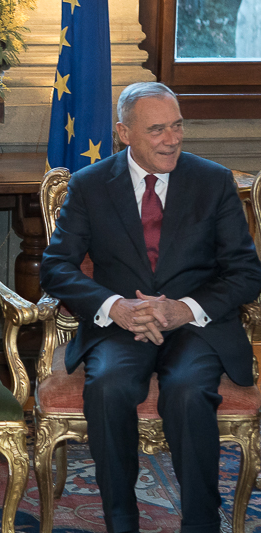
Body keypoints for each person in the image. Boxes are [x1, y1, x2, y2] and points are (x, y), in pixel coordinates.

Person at [40, 81, 261, 533]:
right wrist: (113, 305)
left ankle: (201, 523)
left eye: (177, 126)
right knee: (108, 387)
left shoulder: (212, 181)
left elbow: (245, 272)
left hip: (197, 327)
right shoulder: (89, 186)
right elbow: (56, 268)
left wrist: (186, 308)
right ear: (124, 133)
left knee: (186, 391)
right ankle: (121, 520)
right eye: (157, 129)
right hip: (120, 325)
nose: (172, 139)